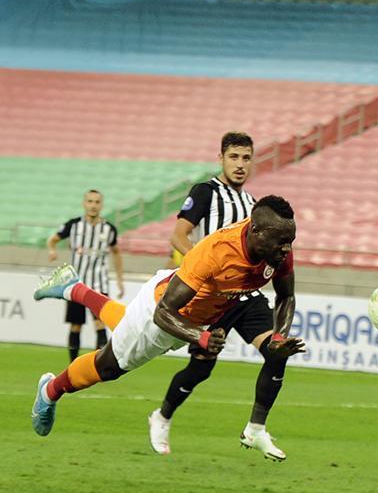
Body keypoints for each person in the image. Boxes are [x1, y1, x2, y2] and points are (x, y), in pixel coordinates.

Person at [31, 196, 306, 463]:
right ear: (256, 231)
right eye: (282, 242)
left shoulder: (276, 245)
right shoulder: (216, 252)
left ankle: (73, 288)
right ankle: (50, 390)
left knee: (125, 326)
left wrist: (278, 338)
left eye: (290, 241)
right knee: (110, 366)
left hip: (190, 316)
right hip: (161, 312)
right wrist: (201, 337)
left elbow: (286, 296)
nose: (287, 249)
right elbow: (163, 312)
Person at [150, 131, 281, 459]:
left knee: (276, 350)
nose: (240, 164)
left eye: (246, 158)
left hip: (245, 296)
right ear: (221, 159)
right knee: (201, 369)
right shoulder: (206, 192)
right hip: (212, 298)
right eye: (234, 157)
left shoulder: (254, 206)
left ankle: (256, 429)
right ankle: (162, 416)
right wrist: (204, 269)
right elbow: (179, 236)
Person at [47, 189, 125, 361]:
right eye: (90, 201)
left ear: (102, 205)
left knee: (100, 323)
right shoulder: (73, 225)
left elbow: (116, 253)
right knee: (76, 325)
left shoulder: (109, 229)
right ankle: (73, 365)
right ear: (84, 203)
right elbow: (52, 239)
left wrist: (120, 280)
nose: (93, 205)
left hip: (99, 284)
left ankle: (99, 366)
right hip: (76, 285)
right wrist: (52, 250)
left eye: (97, 202)